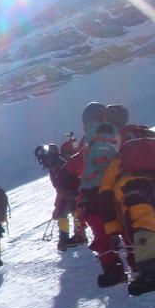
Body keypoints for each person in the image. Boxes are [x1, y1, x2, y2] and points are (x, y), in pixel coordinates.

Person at [97, 108, 155, 295]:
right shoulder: (144, 133)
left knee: (138, 221)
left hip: (134, 187)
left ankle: (152, 272)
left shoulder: (113, 145)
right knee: (151, 220)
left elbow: (105, 192)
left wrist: (113, 230)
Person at [66, 102, 129, 287]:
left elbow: (77, 166)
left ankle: (113, 270)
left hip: (95, 194)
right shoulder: (117, 132)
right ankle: (140, 263)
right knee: (127, 226)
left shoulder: (89, 140)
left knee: (101, 234)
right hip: (121, 188)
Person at [34, 143, 87, 251]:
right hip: (73, 191)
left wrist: (57, 205)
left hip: (74, 191)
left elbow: (61, 187)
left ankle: (75, 236)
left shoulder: (56, 167)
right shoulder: (59, 163)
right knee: (65, 211)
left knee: (70, 210)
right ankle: (70, 237)